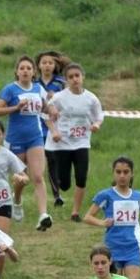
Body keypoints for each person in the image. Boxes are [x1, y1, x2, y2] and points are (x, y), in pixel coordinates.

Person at [0, 56, 57, 230]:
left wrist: (52, 109)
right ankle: (17, 200)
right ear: (17, 71)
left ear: (34, 72)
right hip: (15, 140)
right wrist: (15, 108)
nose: (26, 71)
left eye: (29, 68)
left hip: (35, 138)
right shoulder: (10, 89)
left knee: (37, 177)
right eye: (22, 68)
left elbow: (45, 107)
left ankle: (43, 214)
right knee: (20, 178)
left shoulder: (38, 88)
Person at [85, 156, 140, 279]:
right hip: (112, 247)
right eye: (118, 172)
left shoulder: (138, 196)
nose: (122, 176)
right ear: (113, 174)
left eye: (126, 172)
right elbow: (88, 217)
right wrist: (102, 223)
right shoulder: (106, 195)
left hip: (133, 247)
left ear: (132, 174)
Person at [44, 63, 103, 222]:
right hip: (62, 143)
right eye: (71, 77)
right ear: (66, 80)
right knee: (64, 184)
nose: (75, 79)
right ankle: (60, 184)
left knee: (81, 177)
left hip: (82, 142)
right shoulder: (59, 97)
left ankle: (75, 212)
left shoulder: (91, 98)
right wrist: (54, 131)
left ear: (82, 77)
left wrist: (96, 125)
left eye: (77, 76)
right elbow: (45, 116)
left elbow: (99, 116)